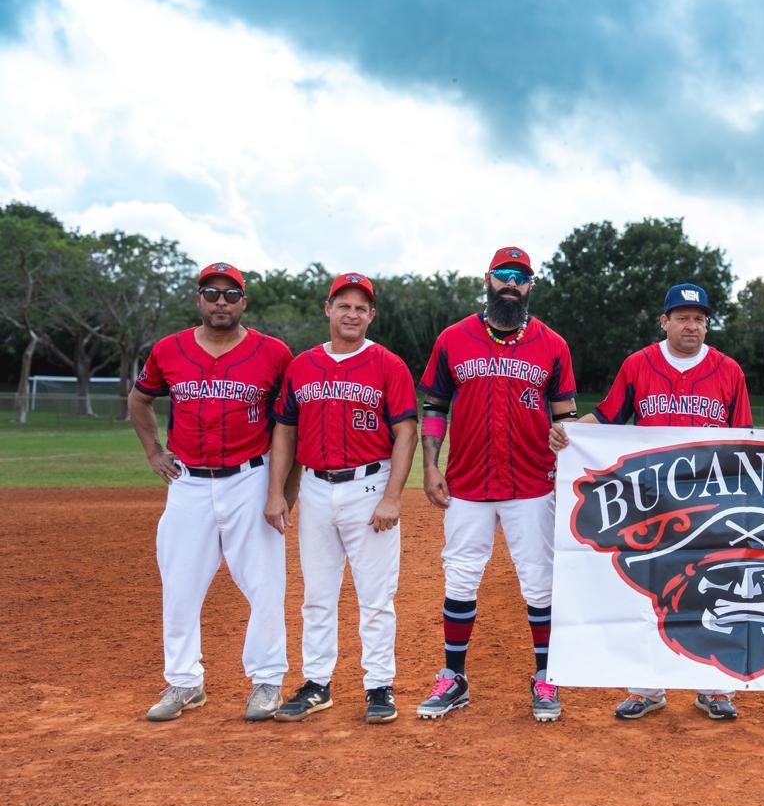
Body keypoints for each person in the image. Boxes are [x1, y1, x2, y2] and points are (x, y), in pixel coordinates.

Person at [549, 282, 754, 721]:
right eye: (682, 317)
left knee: (714, 589)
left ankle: (715, 688)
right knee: (648, 590)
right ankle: (646, 687)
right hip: (650, 504)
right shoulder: (638, 364)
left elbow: (744, 440)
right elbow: (607, 417)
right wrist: (572, 433)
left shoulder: (728, 370)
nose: (691, 325)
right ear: (664, 321)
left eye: (699, 318)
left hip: (711, 503)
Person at [415, 246, 579, 721]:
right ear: (488, 279)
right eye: (504, 275)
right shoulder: (453, 339)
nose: (512, 284)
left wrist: (563, 438)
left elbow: (564, 415)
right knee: (461, 577)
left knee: (539, 582)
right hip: (467, 481)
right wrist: (430, 464)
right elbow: (434, 407)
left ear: (531, 286)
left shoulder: (554, 345)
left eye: (521, 277)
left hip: (532, 482)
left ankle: (545, 677)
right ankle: (454, 677)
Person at [130, 262, 293, 722]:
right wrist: (153, 453)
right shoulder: (169, 349)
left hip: (250, 477)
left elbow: (289, 425)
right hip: (188, 482)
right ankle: (184, 682)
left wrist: (280, 490)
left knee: (265, 584)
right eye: (211, 292)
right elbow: (139, 399)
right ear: (198, 298)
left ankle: (266, 680)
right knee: (179, 585)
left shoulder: (274, 353)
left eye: (230, 293)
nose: (220, 301)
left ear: (244, 301)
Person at [263, 273, 418, 725]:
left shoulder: (388, 364)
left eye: (361, 307)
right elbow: (285, 430)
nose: (352, 314)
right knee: (317, 594)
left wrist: (392, 497)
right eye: (344, 305)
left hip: (369, 487)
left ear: (371, 316)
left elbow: (405, 432)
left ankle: (378, 685)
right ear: (328, 310)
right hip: (314, 487)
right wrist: (277, 493)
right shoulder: (302, 365)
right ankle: (316, 684)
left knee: (375, 597)